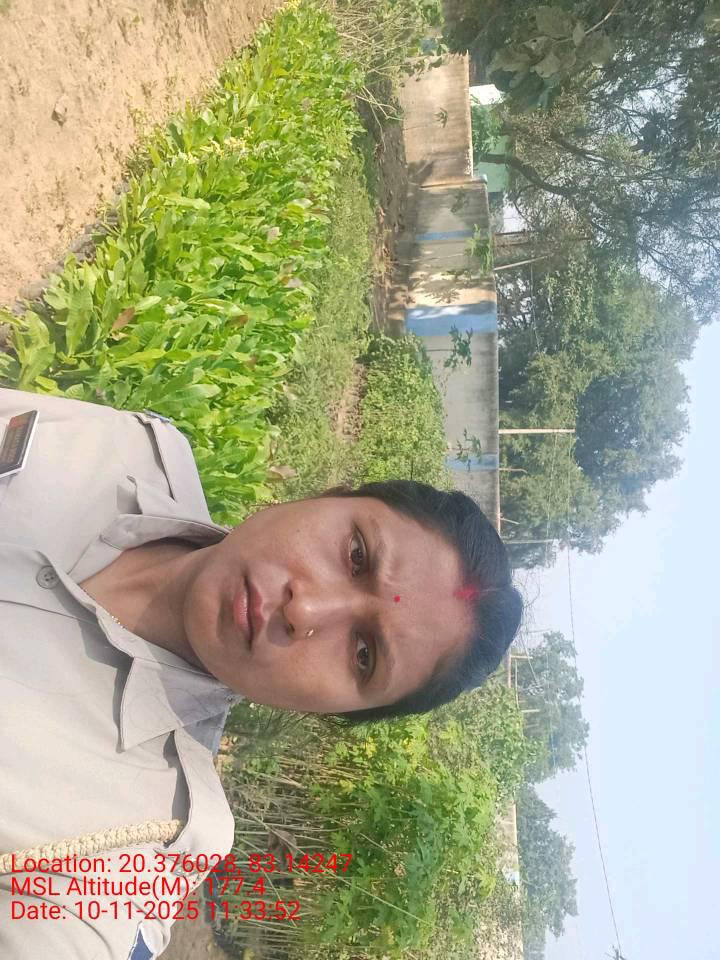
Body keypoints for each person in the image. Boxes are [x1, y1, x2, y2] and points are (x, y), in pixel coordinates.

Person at [0, 386, 522, 958]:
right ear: (330, 496)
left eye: (363, 655)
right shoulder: (136, 448)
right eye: (356, 555)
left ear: (337, 714)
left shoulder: (147, 835)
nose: (306, 610)